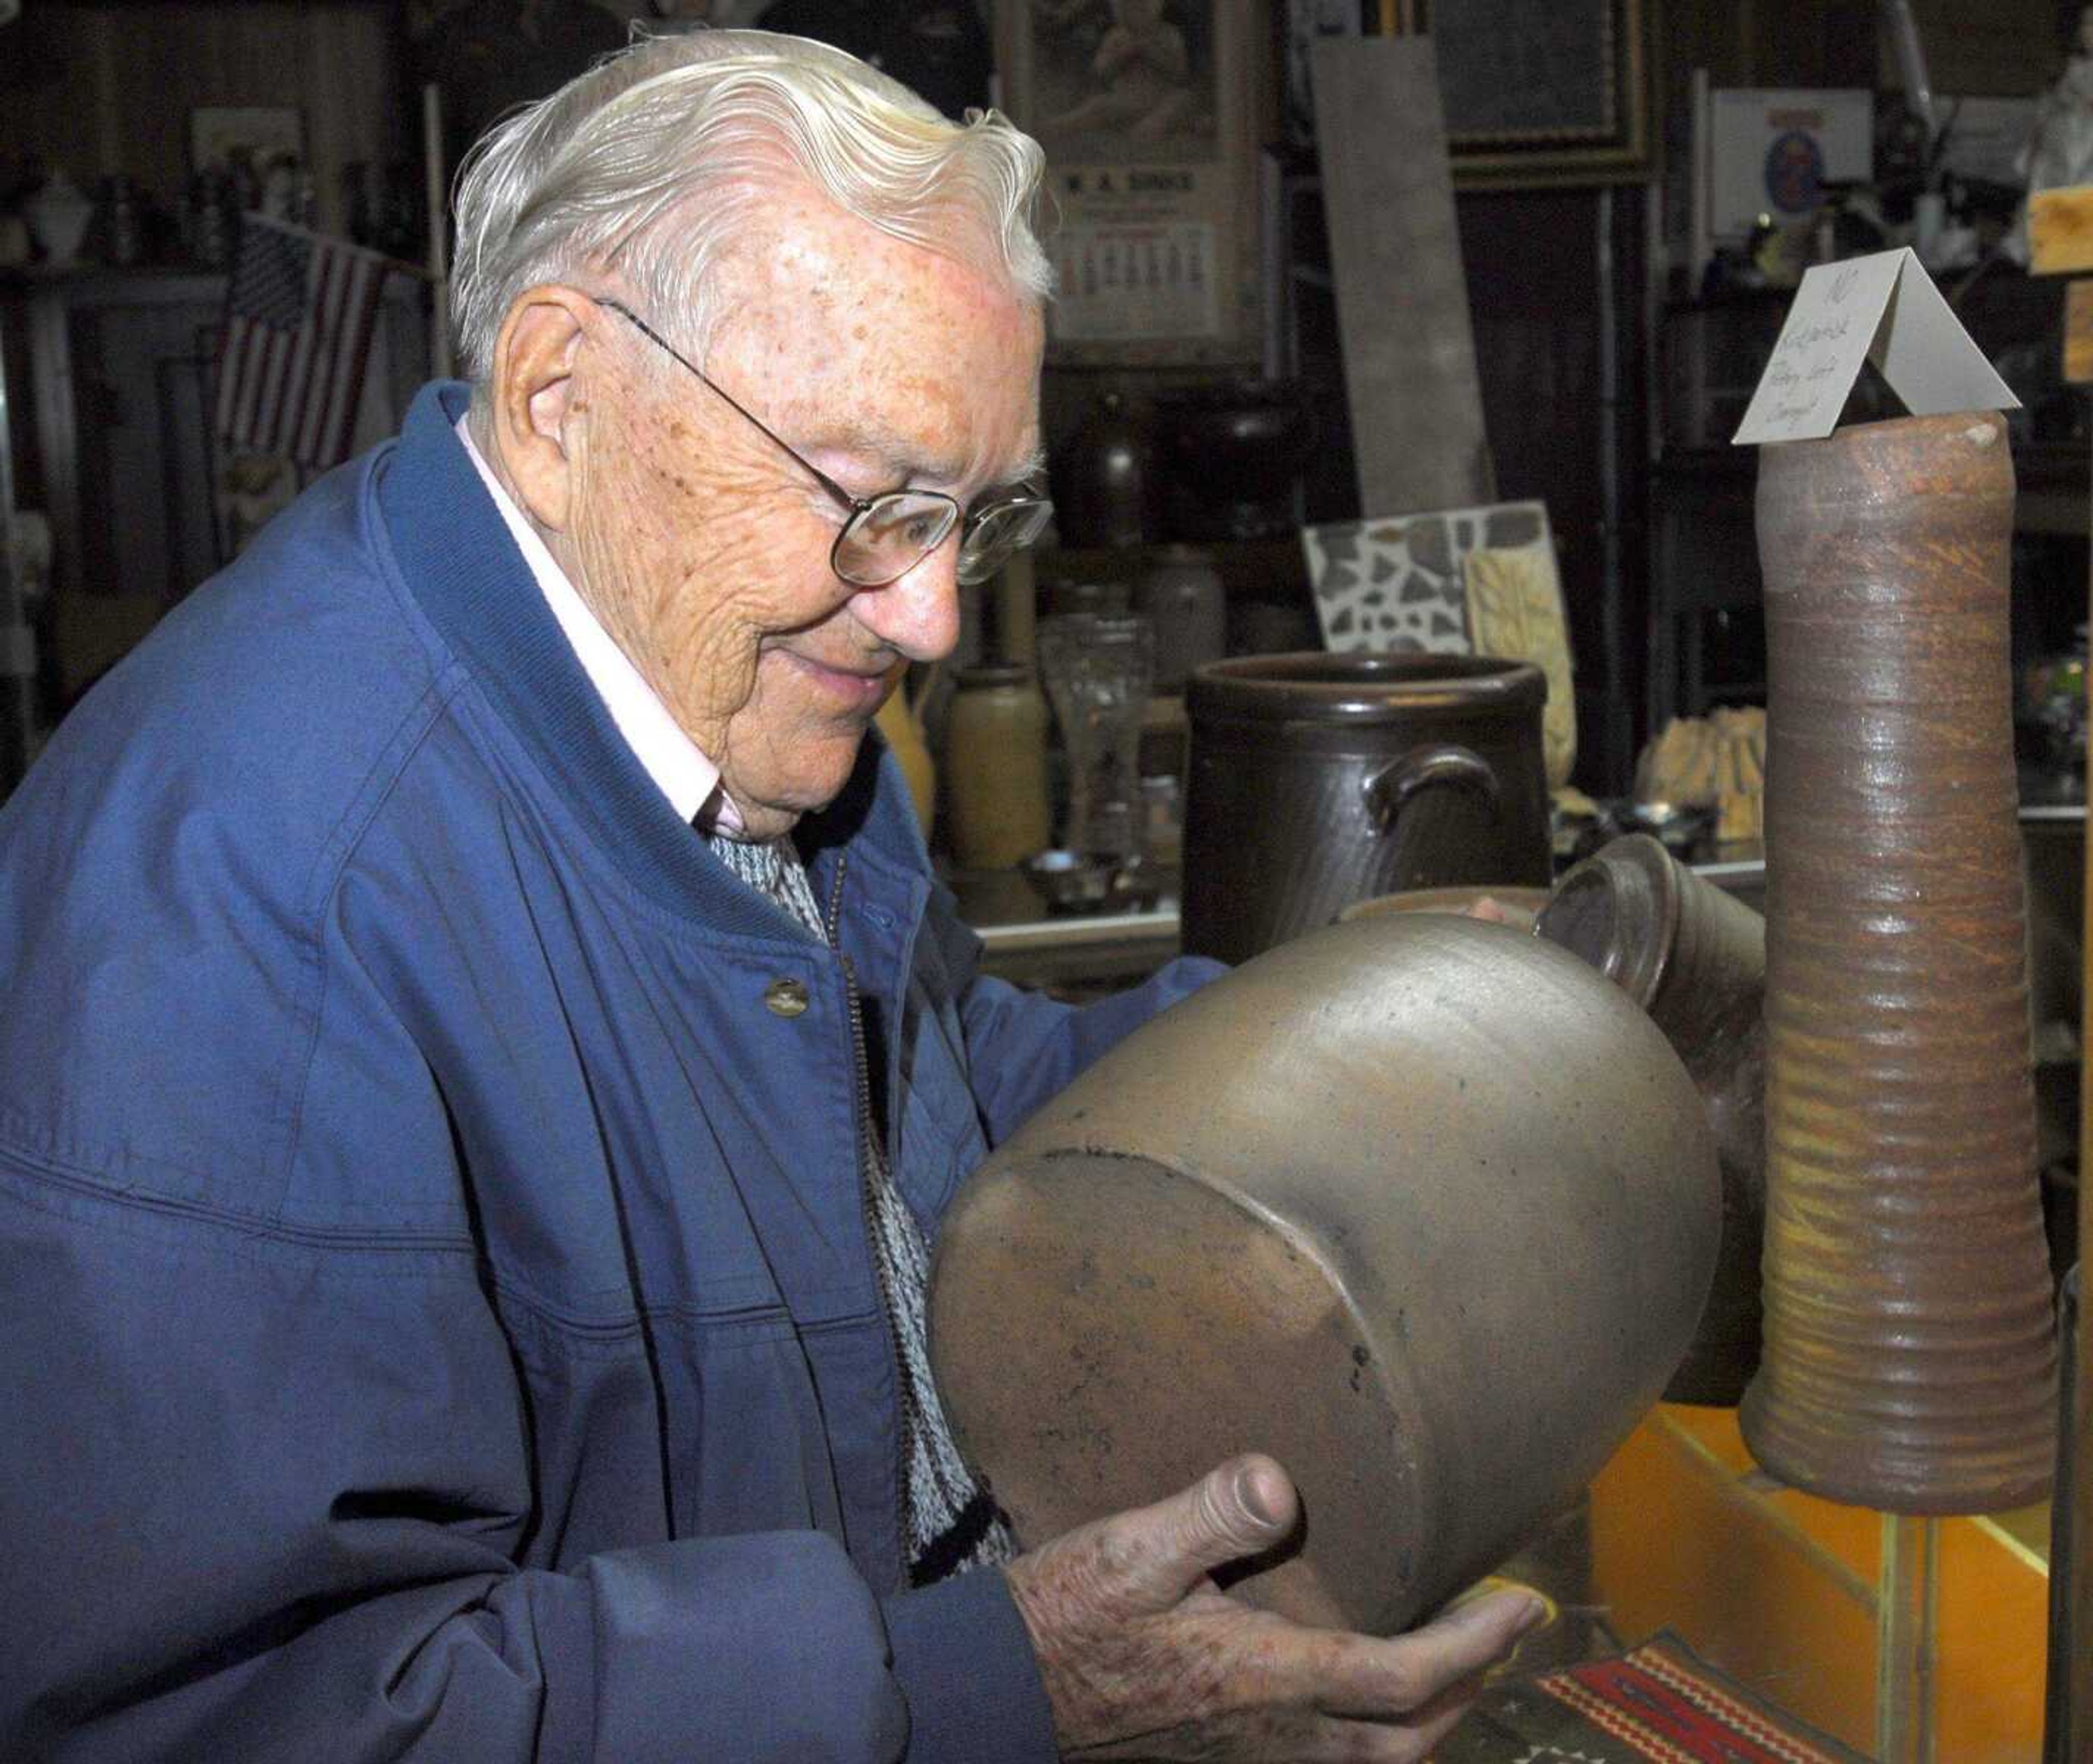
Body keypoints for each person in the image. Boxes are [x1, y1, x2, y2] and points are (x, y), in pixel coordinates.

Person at [0, 28, 1542, 1762]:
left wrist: (1355, 1047)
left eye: (979, 513)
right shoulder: (246, 900)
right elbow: (247, 1721)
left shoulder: (732, 694)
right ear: (560, 395)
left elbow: (946, 1103)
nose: (935, 618)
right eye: (874, 500)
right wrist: (995, 1688)